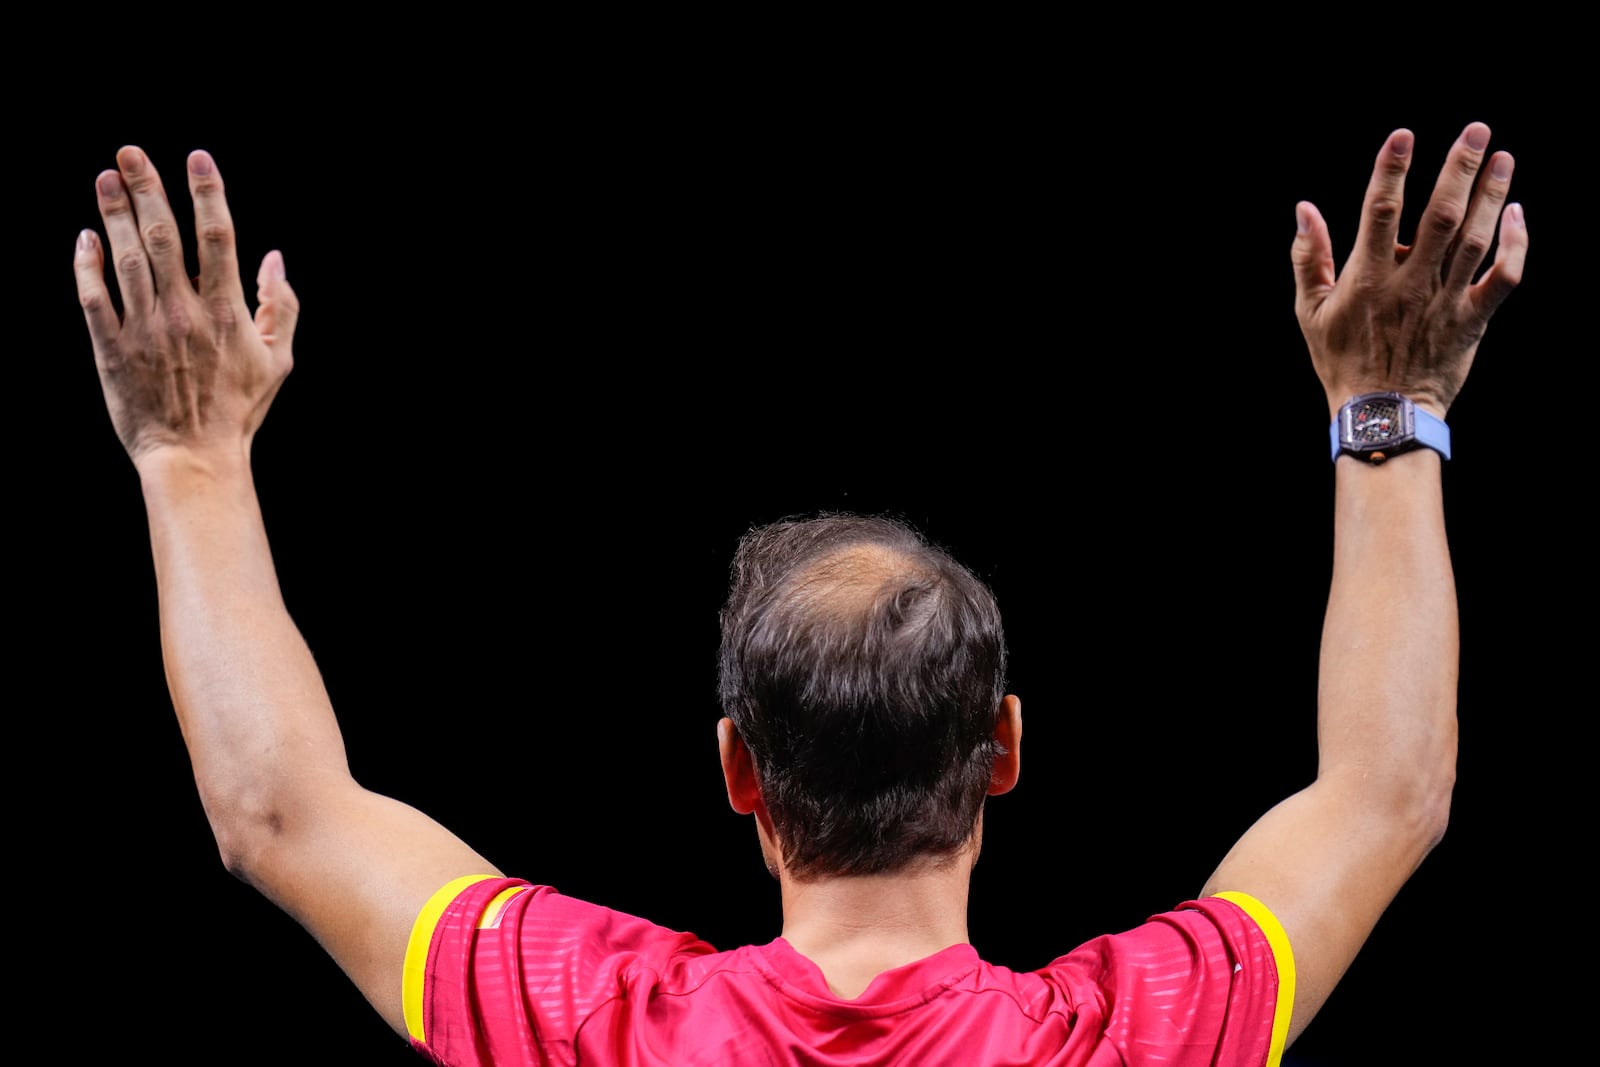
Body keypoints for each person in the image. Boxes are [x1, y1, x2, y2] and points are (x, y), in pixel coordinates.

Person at [72, 122, 1526, 1065]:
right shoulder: (1126, 1040)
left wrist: (187, 456)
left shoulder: (602, 1028)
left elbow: (278, 811)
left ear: (736, 771)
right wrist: (1385, 410)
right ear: (1006, 749)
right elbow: (1388, 792)